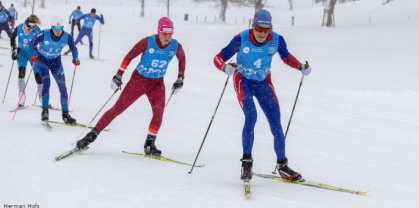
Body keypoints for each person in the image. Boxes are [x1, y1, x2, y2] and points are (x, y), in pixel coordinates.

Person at [212, 9, 311, 181]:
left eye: (266, 30)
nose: (262, 34)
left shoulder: (276, 40)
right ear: (253, 26)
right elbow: (218, 57)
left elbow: (286, 57)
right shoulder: (241, 38)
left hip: (263, 82)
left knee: (276, 122)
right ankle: (247, 162)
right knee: (251, 116)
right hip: (243, 81)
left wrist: (300, 66)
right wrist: (224, 67)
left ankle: (282, 166)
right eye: (259, 29)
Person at [75, 17, 186, 156]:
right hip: (138, 81)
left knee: (158, 115)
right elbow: (129, 56)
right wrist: (119, 75)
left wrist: (180, 78)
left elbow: (182, 59)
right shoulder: (147, 42)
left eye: (171, 33)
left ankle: (149, 144)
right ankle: (90, 136)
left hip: (157, 84)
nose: (168, 36)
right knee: (117, 109)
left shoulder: (175, 45)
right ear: (159, 31)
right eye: (165, 33)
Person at [29, 16, 80, 124]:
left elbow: (74, 48)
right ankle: (45, 111)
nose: (58, 30)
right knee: (46, 83)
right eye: (55, 27)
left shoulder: (67, 37)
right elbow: (32, 43)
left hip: (56, 63)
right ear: (52, 27)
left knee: (62, 87)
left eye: (60, 27)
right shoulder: (44, 33)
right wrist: (34, 54)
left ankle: (65, 114)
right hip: (42, 61)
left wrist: (75, 58)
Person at [10, 15, 42, 107]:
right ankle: (22, 97)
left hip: (33, 54)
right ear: (24, 24)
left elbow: (42, 42)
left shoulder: (37, 29)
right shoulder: (18, 28)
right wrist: (13, 50)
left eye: (31, 29)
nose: (29, 30)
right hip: (22, 54)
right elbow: (12, 38)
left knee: (38, 76)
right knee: (21, 73)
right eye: (27, 28)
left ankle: (42, 96)